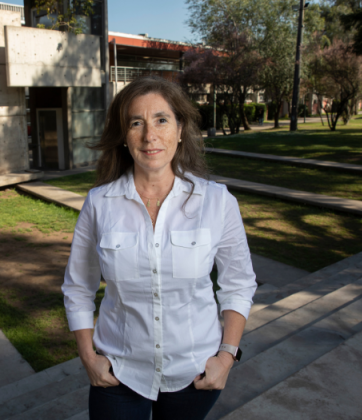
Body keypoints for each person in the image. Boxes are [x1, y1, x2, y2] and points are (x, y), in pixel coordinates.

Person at [62, 76, 257, 420]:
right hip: (119, 370)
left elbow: (238, 284)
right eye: (136, 123)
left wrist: (226, 356)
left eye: (161, 120)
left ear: (180, 130)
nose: (149, 135)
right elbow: (78, 286)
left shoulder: (217, 201)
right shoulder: (99, 204)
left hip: (194, 371)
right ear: (124, 136)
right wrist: (88, 357)